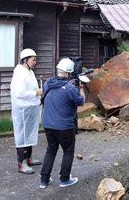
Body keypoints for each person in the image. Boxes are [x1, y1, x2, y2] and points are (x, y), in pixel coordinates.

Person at [39, 58, 85, 189]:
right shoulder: (70, 88)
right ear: (69, 73)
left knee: (51, 150)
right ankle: (64, 179)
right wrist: (81, 88)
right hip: (64, 126)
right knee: (68, 151)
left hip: (48, 124)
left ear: (58, 70)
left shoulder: (48, 83)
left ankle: (44, 179)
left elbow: (43, 99)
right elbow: (81, 102)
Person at [10, 48, 43, 174]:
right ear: (25, 60)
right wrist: (36, 92)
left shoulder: (29, 72)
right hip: (23, 110)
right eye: (33, 60)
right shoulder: (20, 73)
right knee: (22, 136)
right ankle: (22, 164)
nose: (35, 62)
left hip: (31, 108)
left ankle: (29, 159)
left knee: (30, 134)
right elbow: (20, 93)